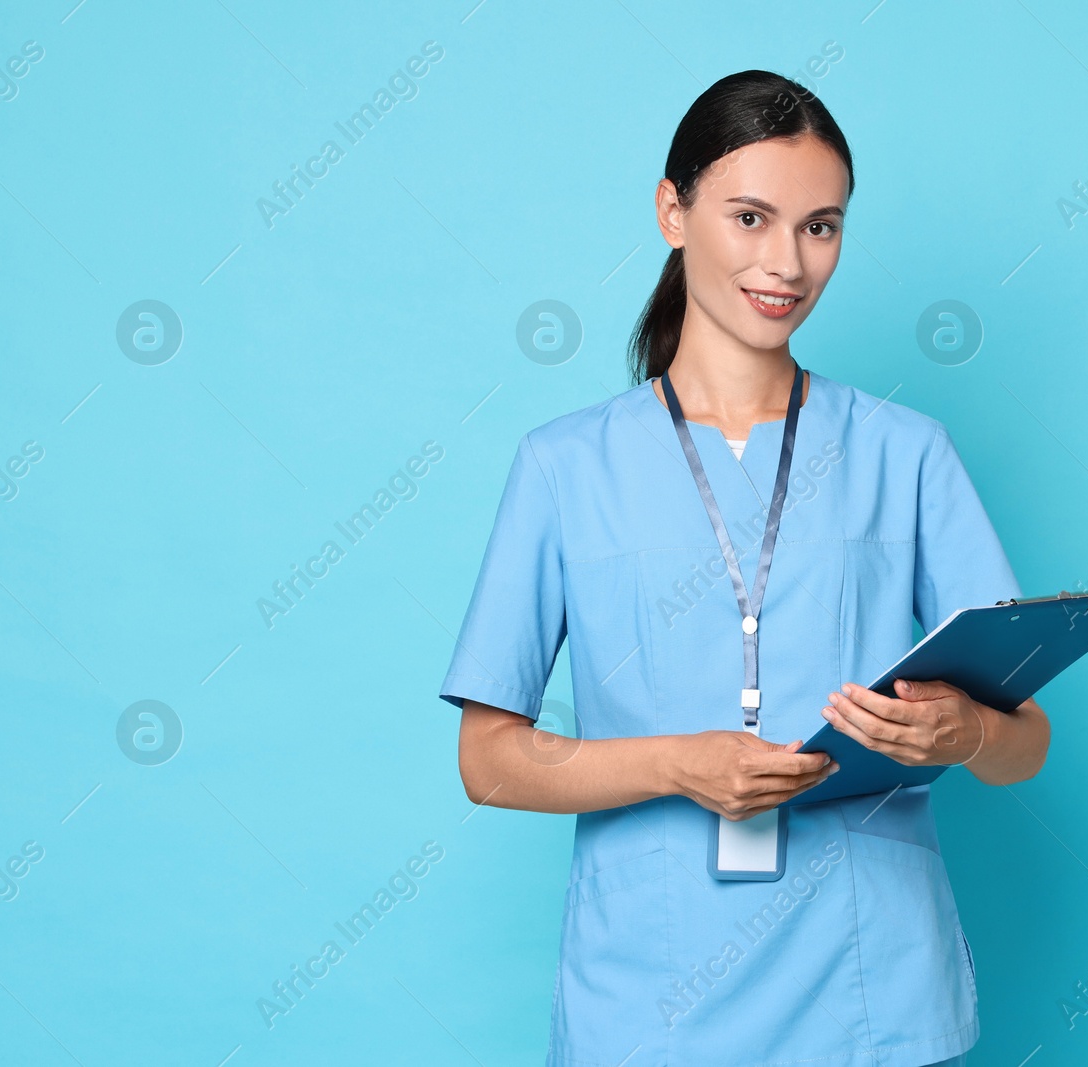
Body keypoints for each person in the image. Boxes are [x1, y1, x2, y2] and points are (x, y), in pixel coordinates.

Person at [441, 69, 1050, 1067]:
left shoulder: (907, 452)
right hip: (648, 989)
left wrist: (968, 726)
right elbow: (490, 759)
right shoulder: (563, 465)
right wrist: (678, 762)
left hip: (869, 984)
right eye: (751, 217)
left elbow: (1024, 745)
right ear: (671, 212)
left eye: (821, 226)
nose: (788, 262)